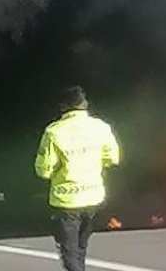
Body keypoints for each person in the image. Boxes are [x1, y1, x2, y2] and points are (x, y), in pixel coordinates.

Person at [34, 86, 121, 271]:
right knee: (81, 248)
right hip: (93, 197)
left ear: (63, 106)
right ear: (85, 104)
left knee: (69, 253)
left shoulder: (54, 132)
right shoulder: (101, 127)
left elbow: (43, 170)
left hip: (67, 200)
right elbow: (113, 158)